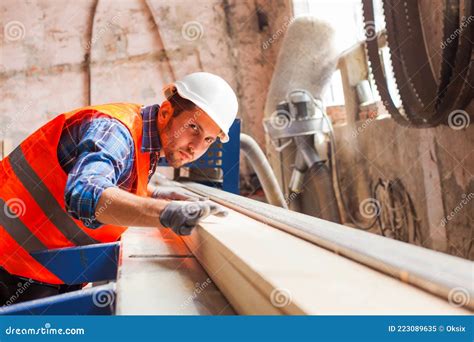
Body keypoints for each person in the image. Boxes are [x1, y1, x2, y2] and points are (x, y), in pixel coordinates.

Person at [0, 72, 238, 304]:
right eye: (193, 127)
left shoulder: (145, 141)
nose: (196, 146)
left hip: (35, 264)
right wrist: (165, 212)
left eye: (208, 139)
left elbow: (113, 180)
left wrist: (153, 195)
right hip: (11, 266)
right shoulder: (115, 131)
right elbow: (86, 195)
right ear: (166, 112)